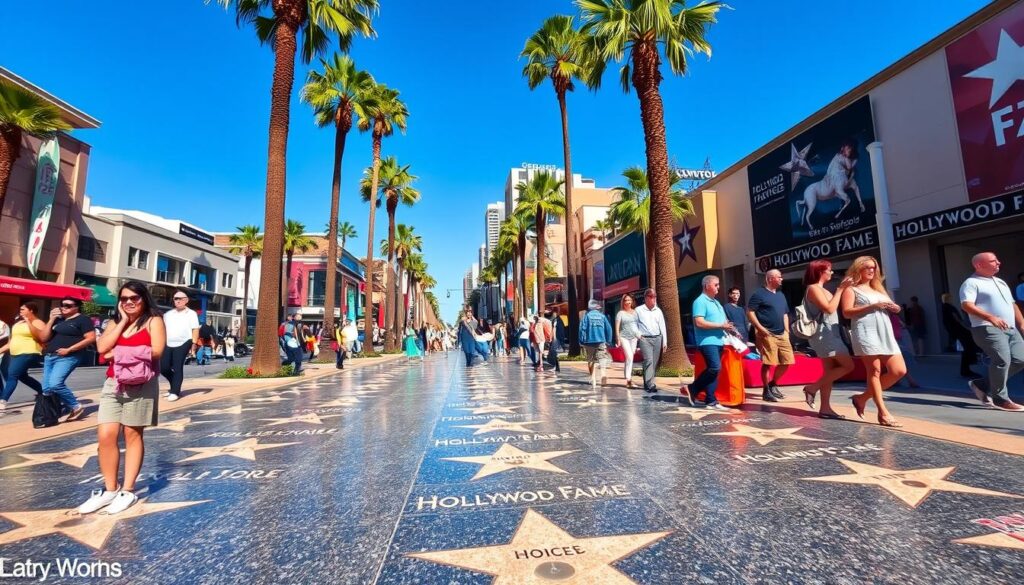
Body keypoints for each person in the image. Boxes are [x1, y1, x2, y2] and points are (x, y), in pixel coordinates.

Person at [78, 281, 165, 515]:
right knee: (105, 435)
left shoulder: (153, 320)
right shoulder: (116, 321)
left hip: (142, 383)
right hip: (113, 383)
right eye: (124, 299)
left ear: (143, 299)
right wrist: (123, 323)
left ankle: (128, 490)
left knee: (132, 434)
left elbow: (157, 350)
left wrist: (119, 352)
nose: (129, 302)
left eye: (134, 298)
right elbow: (101, 348)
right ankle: (110, 489)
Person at [841, 256, 907, 427]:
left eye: (874, 267)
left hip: (885, 331)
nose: (871, 270)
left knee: (898, 371)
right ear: (858, 269)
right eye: (867, 267)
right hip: (865, 331)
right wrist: (871, 307)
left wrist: (895, 308)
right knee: (875, 370)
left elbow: (894, 307)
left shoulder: (878, 289)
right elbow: (847, 312)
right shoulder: (852, 289)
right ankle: (882, 412)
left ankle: (861, 398)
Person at [960, 252, 1024, 412]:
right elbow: (966, 305)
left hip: (1010, 328)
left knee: (1020, 358)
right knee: (1002, 360)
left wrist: (1022, 323)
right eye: (993, 261)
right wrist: (990, 317)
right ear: (979, 265)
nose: (998, 263)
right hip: (986, 327)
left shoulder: (1000, 282)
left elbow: (1012, 304)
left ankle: (982, 385)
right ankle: (1000, 399)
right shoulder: (971, 283)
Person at [800, 260, 854, 419]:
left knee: (829, 372)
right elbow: (829, 309)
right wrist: (840, 289)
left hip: (831, 332)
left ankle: (825, 408)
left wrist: (844, 289)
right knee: (848, 365)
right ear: (820, 272)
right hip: (824, 334)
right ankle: (812, 388)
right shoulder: (813, 289)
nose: (831, 273)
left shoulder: (823, 289)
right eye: (829, 270)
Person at [682, 275, 735, 410]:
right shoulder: (700, 301)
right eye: (716, 285)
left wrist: (730, 328)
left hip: (719, 341)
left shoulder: (717, 303)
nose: (718, 287)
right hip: (707, 341)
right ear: (707, 286)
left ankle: (711, 400)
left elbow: (722, 323)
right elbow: (699, 322)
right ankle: (692, 388)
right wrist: (720, 326)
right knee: (714, 368)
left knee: (715, 371)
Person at [39, 296, 96, 421]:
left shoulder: (83, 320)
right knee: (46, 388)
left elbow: (91, 338)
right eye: (62, 305)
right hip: (50, 356)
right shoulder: (58, 320)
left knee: (55, 384)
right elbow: (43, 338)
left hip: (68, 357)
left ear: (77, 307)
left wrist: (69, 349)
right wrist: (51, 319)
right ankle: (56, 411)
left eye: (68, 305)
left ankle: (75, 406)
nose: (63, 307)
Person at [747, 270, 794, 402]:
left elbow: (785, 313)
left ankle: (773, 384)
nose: (781, 279)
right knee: (769, 362)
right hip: (767, 333)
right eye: (779, 277)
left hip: (782, 334)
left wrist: (786, 330)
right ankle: (766, 390)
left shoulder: (780, 295)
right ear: (770, 279)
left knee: (787, 361)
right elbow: (750, 312)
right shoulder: (759, 294)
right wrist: (760, 329)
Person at [0, 303, 45, 409]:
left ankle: (3, 401)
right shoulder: (18, 323)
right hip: (15, 353)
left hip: (29, 352)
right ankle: (43, 392)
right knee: (22, 376)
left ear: (31, 310)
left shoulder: (38, 322)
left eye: (23, 309)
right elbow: (10, 343)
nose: (20, 311)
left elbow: (40, 337)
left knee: (12, 375)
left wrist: (29, 321)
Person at [161, 290, 199, 403]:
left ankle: (175, 392)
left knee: (177, 367)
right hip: (167, 342)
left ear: (186, 300)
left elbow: (195, 329)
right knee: (163, 367)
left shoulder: (191, 313)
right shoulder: (167, 314)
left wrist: (194, 343)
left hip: (184, 341)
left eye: (180, 298)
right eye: (175, 299)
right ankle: (174, 384)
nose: (177, 301)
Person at [636, 288, 668, 394]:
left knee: (653, 362)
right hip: (645, 339)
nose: (653, 299)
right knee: (648, 360)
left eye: (655, 297)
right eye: (651, 297)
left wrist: (664, 342)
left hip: (657, 338)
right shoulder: (639, 310)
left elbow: (662, 326)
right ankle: (651, 384)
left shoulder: (658, 311)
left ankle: (647, 382)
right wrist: (638, 335)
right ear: (646, 298)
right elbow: (633, 325)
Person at [940, 292, 980, 378]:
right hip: (960, 331)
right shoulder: (950, 308)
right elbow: (957, 319)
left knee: (965, 349)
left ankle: (966, 368)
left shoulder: (944, 308)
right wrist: (967, 328)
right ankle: (967, 368)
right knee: (967, 348)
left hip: (955, 331)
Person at [579, 300, 613, 387]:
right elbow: (608, 329)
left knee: (591, 360)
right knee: (602, 358)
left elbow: (582, 329)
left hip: (588, 341)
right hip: (601, 340)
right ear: (598, 308)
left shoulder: (586, 317)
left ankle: (593, 378)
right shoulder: (602, 316)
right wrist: (608, 340)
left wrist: (581, 340)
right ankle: (603, 374)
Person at [615, 294, 641, 388]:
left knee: (629, 356)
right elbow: (617, 327)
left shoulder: (635, 313)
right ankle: (629, 379)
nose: (628, 302)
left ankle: (626, 374)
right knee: (630, 356)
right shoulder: (620, 313)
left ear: (632, 301)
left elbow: (637, 326)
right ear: (623, 302)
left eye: (629, 300)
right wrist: (618, 339)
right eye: (626, 300)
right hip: (624, 337)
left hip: (634, 338)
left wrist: (639, 335)